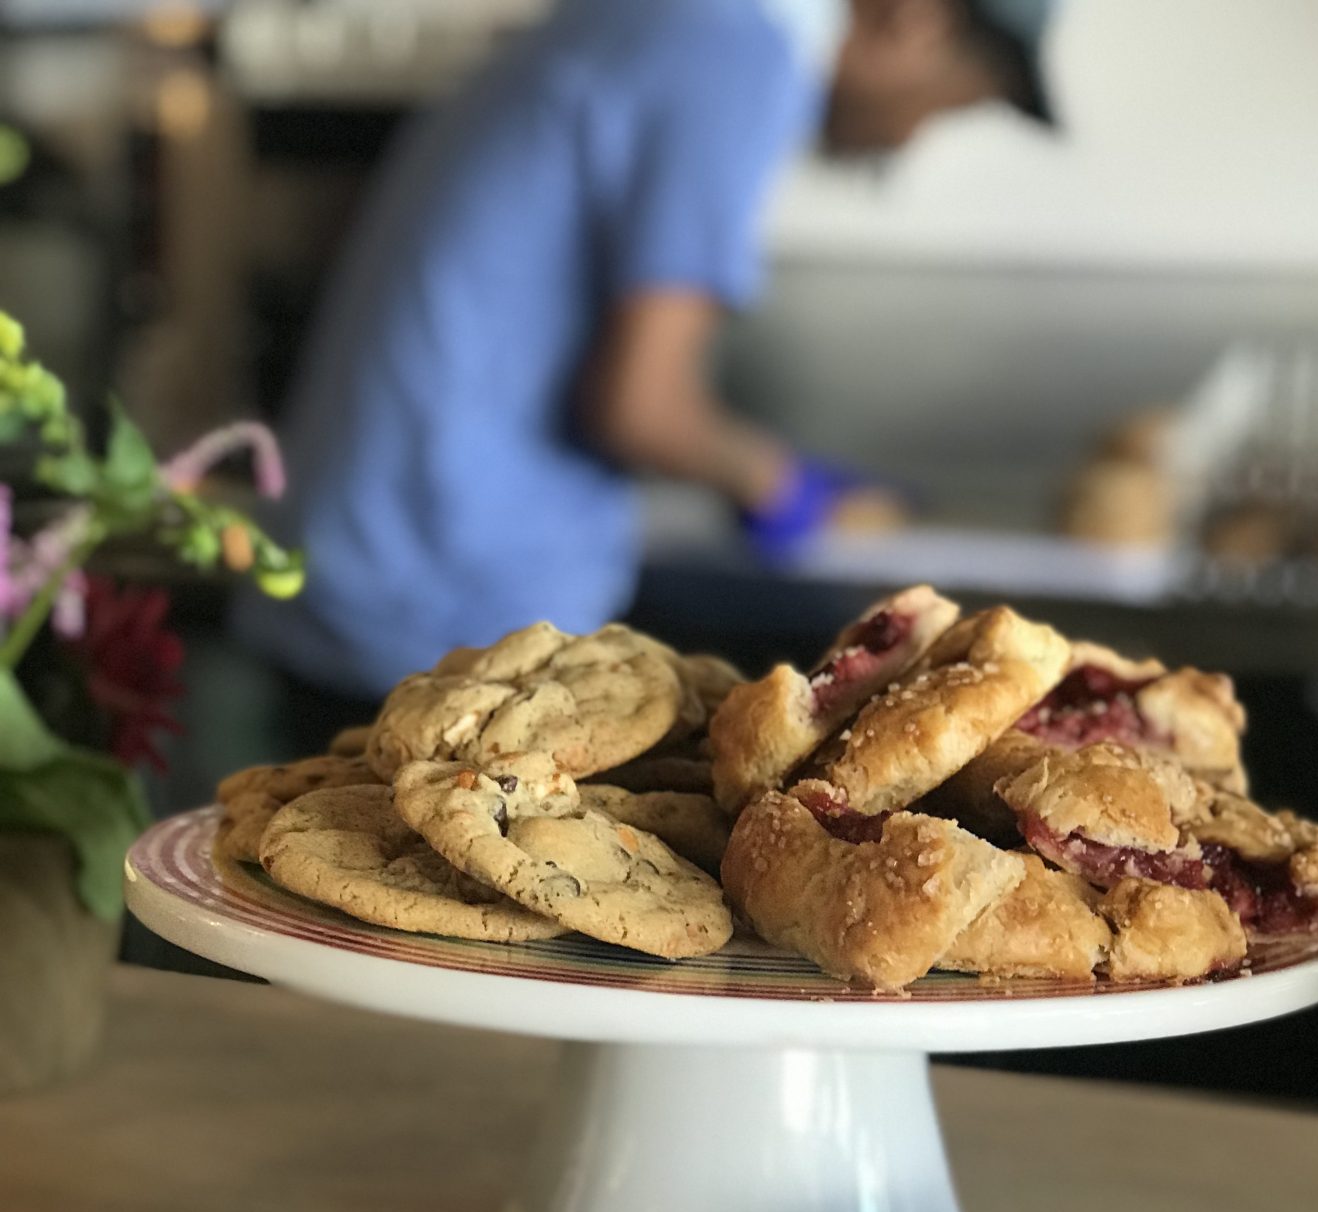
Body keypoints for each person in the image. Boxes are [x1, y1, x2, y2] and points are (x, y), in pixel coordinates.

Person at [238, 0, 1061, 702]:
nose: (914, 136)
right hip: (443, 623)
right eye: (954, 104)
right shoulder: (736, 53)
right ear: (916, 21)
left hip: (360, 572)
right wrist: (780, 483)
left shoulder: (668, 18)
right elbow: (640, 407)